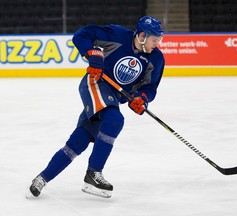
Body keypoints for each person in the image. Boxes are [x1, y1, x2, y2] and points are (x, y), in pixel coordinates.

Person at [25, 16, 165, 199]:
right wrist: (92, 53)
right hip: (95, 83)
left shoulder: (156, 58)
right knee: (115, 119)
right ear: (141, 36)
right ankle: (93, 173)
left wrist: (142, 98)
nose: (158, 43)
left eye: (159, 39)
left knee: (79, 141)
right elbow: (82, 35)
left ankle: (41, 179)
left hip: (112, 98)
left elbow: (150, 87)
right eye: (155, 39)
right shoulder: (117, 35)